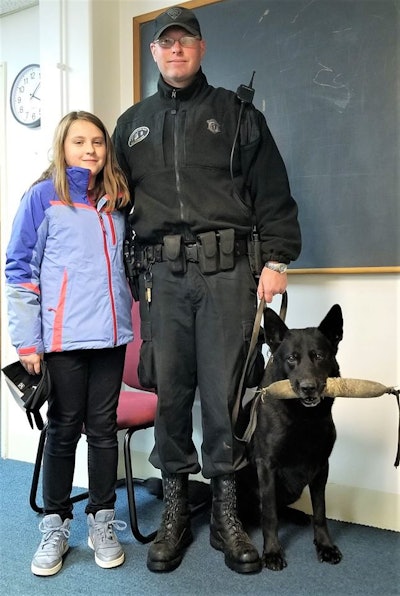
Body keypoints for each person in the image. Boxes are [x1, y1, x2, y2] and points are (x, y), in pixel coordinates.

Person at [113, 6, 301, 574]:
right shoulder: (130, 125)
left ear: (201, 48)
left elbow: (272, 190)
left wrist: (277, 260)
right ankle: (174, 510)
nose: (175, 50)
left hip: (228, 276)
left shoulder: (239, 115)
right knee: (171, 394)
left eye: (185, 42)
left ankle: (225, 514)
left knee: (223, 396)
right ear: (154, 53)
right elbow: (115, 203)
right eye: (165, 43)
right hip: (163, 280)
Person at [5, 111, 133, 576]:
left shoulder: (116, 201)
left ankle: (102, 519)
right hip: (63, 339)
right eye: (79, 141)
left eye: (97, 141)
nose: (90, 150)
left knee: (102, 431)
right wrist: (26, 342)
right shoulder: (43, 198)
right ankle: (55, 523)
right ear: (62, 147)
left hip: (112, 335)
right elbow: (18, 269)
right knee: (62, 430)